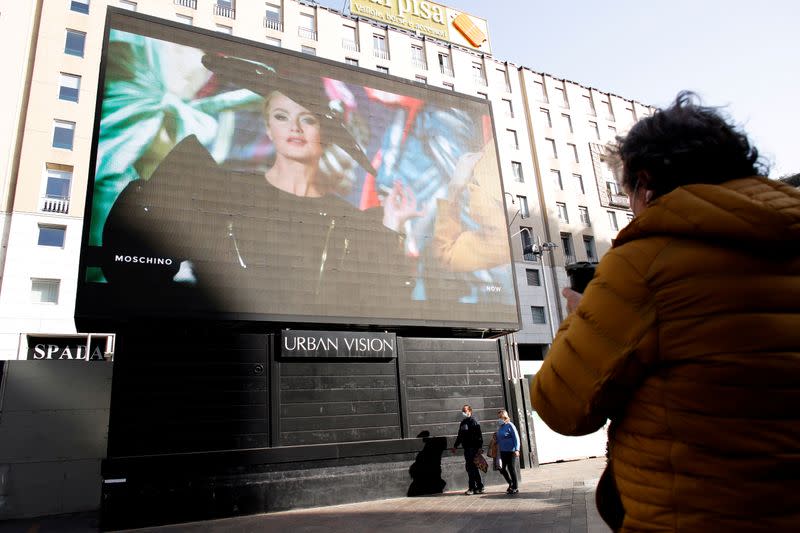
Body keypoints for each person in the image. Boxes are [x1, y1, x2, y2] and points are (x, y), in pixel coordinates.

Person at [531, 91, 800, 531]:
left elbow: (561, 408)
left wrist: (583, 318)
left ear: (647, 180)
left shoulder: (645, 262)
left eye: (627, 191)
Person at [101, 55, 420, 319]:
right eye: (282, 116)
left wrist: (393, 222)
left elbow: (380, 297)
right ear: (268, 127)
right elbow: (139, 269)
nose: (294, 127)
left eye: (307, 119)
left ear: (324, 131)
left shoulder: (348, 217)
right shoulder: (219, 188)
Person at [450, 404, 484, 495]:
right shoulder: (463, 422)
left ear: (470, 411)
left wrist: (480, 447)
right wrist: (455, 446)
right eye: (463, 411)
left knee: (471, 468)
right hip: (467, 449)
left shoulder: (474, 421)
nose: (463, 412)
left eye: (465, 411)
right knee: (472, 468)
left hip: (473, 448)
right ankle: (480, 486)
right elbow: (460, 436)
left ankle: (472, 488)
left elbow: (479, 435)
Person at [495, 409, 520, 494]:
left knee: (511, 468)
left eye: (500, 417)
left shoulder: (510, 425)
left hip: (511, 451)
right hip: (502, 451)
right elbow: (499, 438)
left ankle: (515, 487)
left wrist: (517, 449)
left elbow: (516, 438)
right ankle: (510, 483)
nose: (499, 419)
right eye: (498, 417)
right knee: (502, 468)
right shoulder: (501, 427)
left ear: (504, 417)